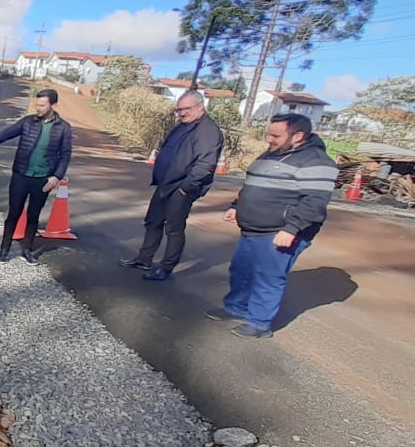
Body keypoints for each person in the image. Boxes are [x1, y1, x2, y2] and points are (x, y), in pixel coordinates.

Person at [207, 112, 337, 339]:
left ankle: (259, 323)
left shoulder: (317, 162)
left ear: (298, 136)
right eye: (269, 134)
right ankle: (237, 308)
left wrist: (291, 229)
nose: (269, 139)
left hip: (280, 231)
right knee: (241, 270)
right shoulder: (274, 154)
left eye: (276, 135)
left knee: (268, 277)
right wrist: (237, 206)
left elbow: (315, 202)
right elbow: (254, 184)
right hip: (252, 227)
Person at [120, 90, 223, 281]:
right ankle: (144, 259)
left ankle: (166, 268)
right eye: (179, 110)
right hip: (166, 184)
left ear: (200, 107)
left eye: (187, 109)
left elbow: (205, 165)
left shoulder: (207, 131)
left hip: (181, 187)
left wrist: (186, 187)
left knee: (174, 229)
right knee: (153, 221)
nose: (182, 113)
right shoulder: (182, 126)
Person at [0, 88, 74, 265]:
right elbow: (11, 130)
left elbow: (65, 155)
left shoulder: (63, 128)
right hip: (21, 175)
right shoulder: (28, 121)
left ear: (53, 105)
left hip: (43, 179)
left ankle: (27, 249)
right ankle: (5, 249)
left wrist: (56, 177)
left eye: (42, 105)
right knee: (14, 213)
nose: (38, 108)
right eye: (37, 105)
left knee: (34, 216)